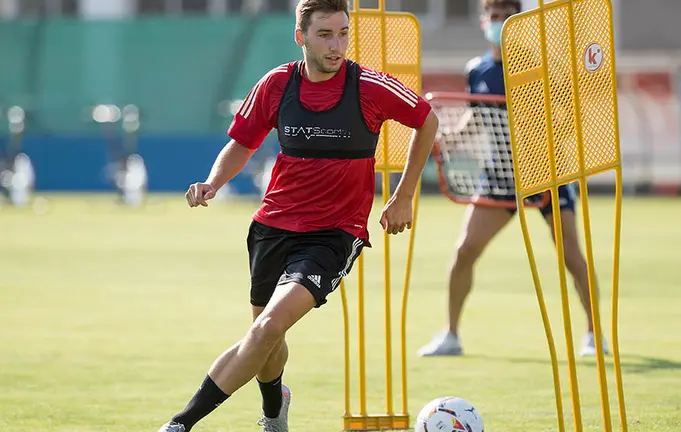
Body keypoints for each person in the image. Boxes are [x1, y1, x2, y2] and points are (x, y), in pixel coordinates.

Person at [157, 1, 438, 431]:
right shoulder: (275, 84)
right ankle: (275, 410)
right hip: (272, 227)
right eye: (325, 34)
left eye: (343, 33)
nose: (337, 44)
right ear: (300, 36)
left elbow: (426, 119)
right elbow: (242, 142)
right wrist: (214, 182)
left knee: (268, 326)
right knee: (266, 340)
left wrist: (403, 195)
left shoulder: (370, 86)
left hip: (333, 235)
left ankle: (180, 424)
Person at [418, 0, 606, 358]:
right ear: (483, 20)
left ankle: (594, 334)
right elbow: (479, 116)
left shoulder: (539, 65)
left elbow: (567, 116)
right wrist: (450, 137)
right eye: (494, 15)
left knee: (570, 255)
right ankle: (451, 334)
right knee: (464, 250)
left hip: (546, 171)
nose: (499, 22)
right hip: (500, 174)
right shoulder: (477, 70)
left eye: (507, 15)